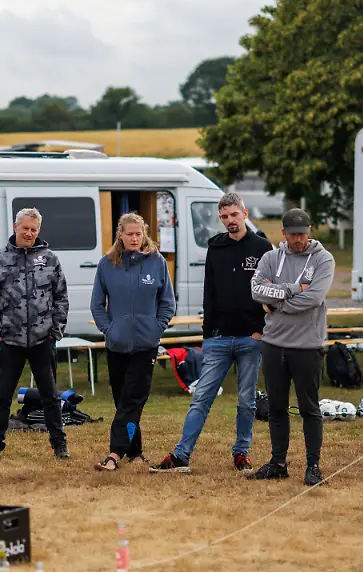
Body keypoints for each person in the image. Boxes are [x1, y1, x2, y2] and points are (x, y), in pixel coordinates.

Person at [150, 193, 271, 473]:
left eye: (235, 215)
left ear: (245, 213)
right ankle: (181, 455)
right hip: (217, 338)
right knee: (201, 397)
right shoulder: (215, 247)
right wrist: (208, 333)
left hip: (250, 339)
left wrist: (259, 331)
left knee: (246, 401)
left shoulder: (263, 247)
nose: (230, 221)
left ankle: (241, 453)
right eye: (225, 217)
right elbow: (210, 292)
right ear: (220, 218)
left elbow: (271, 294)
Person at [249, 208, 335, 486]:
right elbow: (256, 290)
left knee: (309, 408)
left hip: (307, 345)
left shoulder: (323, 259)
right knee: (276, 407)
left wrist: (275, 303)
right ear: (283, 233)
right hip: (273, 343)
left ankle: (313, 465)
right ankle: (278, 462)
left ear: (310, 232)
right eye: (293, 234)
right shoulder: (271, 257)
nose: (299, 240)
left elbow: (314, 298)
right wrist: (293, 290)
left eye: (303, 234)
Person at [0, 208, 70, 461]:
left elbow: (61, 296)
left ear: (38, 231)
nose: (29, 233)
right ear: (15, 227)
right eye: (25, 228)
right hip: (10, 339)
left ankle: (59, 444)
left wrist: (56, 330)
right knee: (2, 396)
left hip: (43, 339)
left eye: (34, 229)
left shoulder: (50, 259)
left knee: (50, 396)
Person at [91, 212, 176, 472]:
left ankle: (115, 453)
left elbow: (167, 302)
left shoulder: (156, 262)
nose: (135, 238)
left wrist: (156, 328)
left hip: (145, 345)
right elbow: (97, 305)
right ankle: (136, 452)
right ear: (121, 235)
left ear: (144, 234)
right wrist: (110, 329)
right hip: (117, 344)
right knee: (123, 400)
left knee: (133, 399)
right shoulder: (107, 264)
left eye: (139, 234)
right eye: (130, 234)